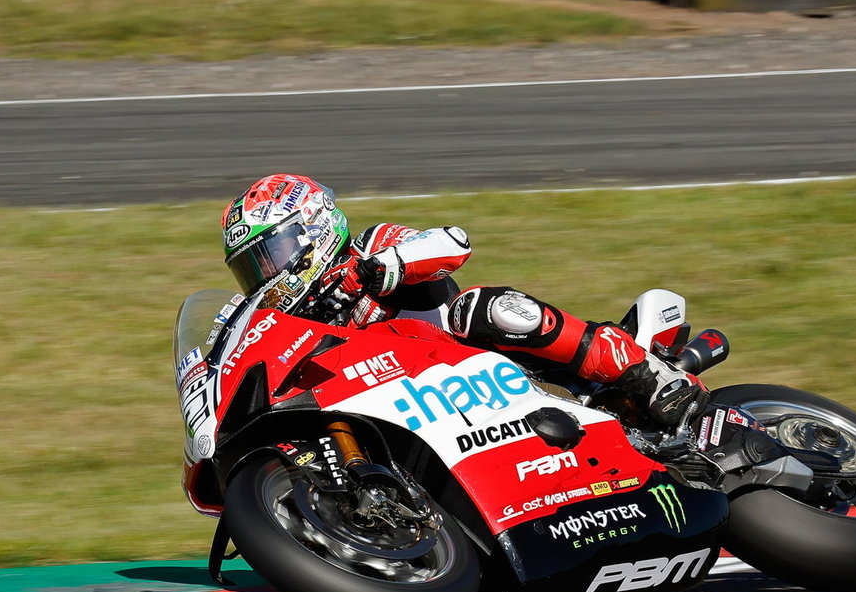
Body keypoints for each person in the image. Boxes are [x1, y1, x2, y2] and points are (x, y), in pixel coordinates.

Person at [221, 173, 707, 429]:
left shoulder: (372, 245)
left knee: (479, 307)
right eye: (252, 268)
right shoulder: (290, 321)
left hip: (480, 366)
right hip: (422, 411)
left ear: (314, 227)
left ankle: (648, 373)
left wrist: (375, 270)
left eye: (270, 255)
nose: (266, 275)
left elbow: (453, 242)